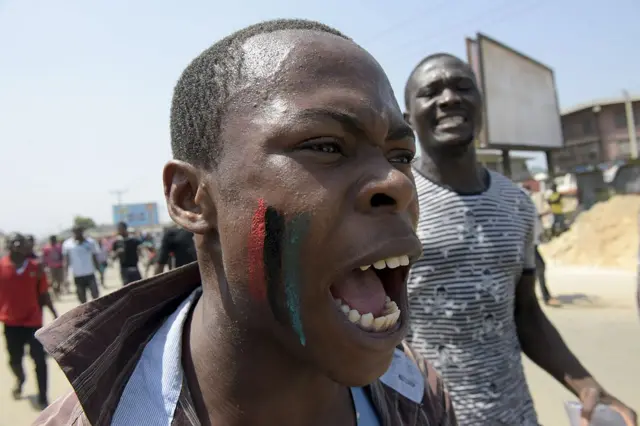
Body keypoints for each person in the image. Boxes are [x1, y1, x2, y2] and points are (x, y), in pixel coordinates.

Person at [33, 19, 457, 426]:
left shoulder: (416, 395)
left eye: (400, 155)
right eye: (325, 146)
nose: (396, 183)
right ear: (190, 198)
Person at [403, 53, 636, 425]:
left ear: (482, 106)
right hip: (424, 417)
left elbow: (525, 314)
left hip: (516, 416)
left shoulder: (517, 204)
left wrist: (587, 386)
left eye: (462, 87)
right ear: (407, 118)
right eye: (430, 92)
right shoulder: (394, 201)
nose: (448, 99)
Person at [0, 233, 57, 409]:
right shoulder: (1, 266)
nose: (17, 245)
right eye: (13, 241)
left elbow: (44, 294)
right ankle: (20, 378)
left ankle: (43, 396)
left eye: (21, 242)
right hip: (11, 324)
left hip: (33, 323)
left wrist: (55, 314)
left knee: (40, 360)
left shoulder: (36, 267)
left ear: (27, 246)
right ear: (8, 245)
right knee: (14, 360)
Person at [62, 226, 100, 304]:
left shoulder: (91, 242)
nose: (77, 234)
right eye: (75, 232)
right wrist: (65, 276)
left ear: (82, 232)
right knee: (82, 299)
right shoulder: (67, 244)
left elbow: (95, 257)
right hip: (77, 275)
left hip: (90, 274)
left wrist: (99, 270)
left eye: (79, 232)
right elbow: (66, 261)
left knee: (95, 296)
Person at [533, 213, 561, 307]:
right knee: (539, 267)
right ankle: (546, 298)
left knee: (536, 269)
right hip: (527, 244)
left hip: (530, 244)